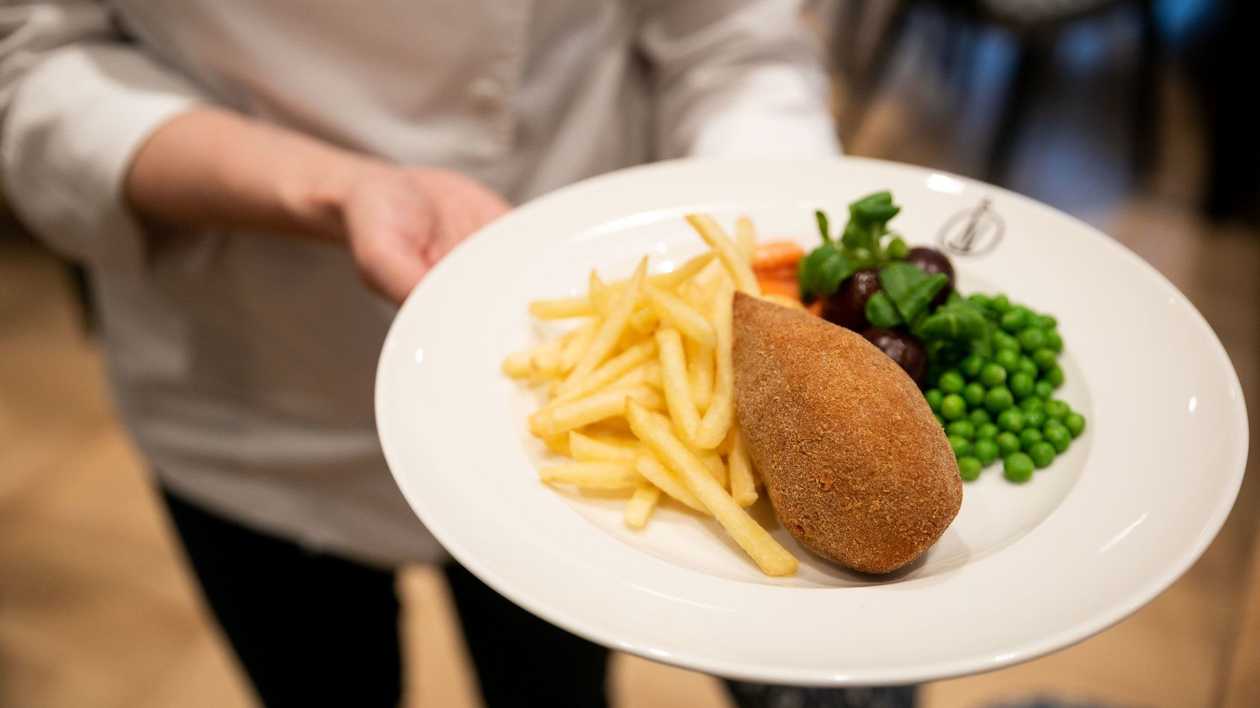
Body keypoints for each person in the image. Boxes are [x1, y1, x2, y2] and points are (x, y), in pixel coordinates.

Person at [1, 2, 913, 706]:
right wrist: (336, 188)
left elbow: (733, 44)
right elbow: (35, 65)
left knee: (552, 690)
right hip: (252, 376)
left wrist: (780, 285)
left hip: (561, 395)